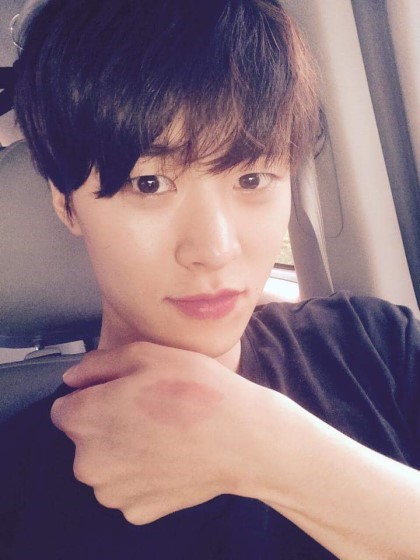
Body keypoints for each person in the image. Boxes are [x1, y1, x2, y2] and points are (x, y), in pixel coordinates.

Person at [1, 0, 419, 558]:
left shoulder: (377, 344)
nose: (215, 249)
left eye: (252, 178)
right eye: (149, 183)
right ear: (67, 204)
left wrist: (276, 455)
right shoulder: (18, 483)